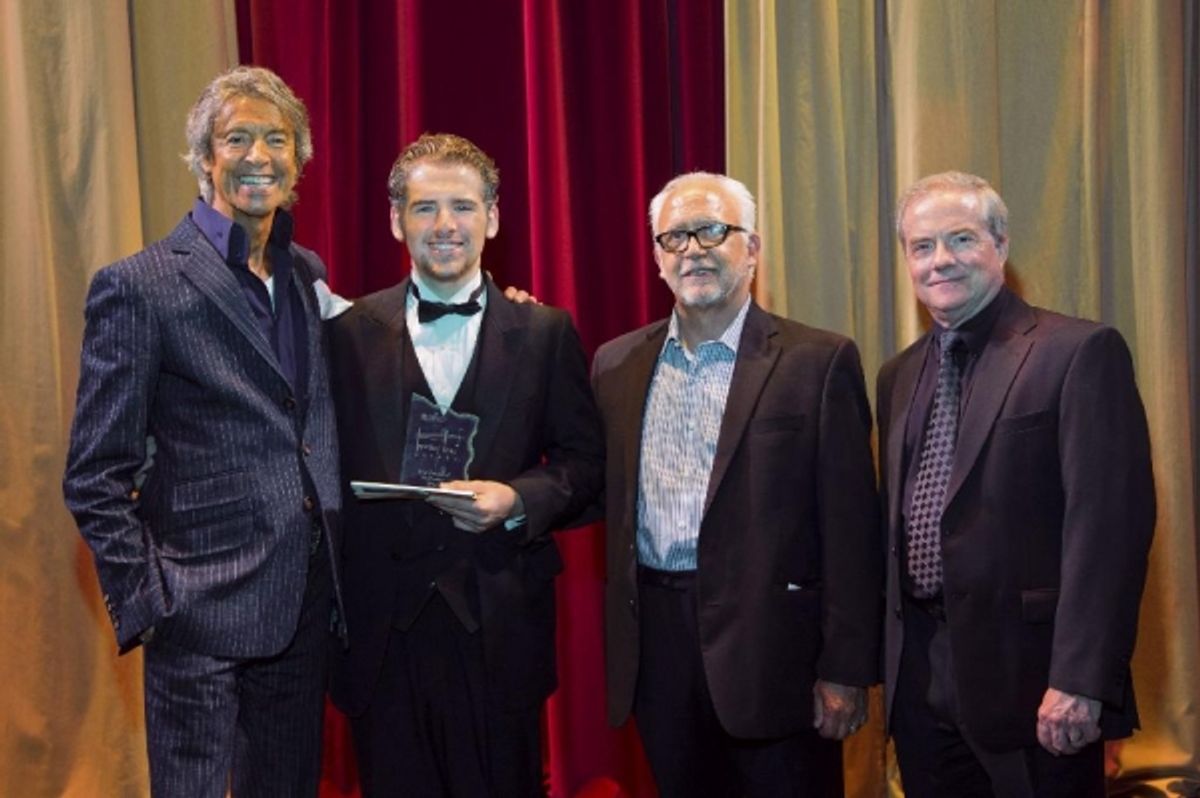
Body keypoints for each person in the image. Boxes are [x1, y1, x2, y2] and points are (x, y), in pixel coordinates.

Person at [62, 66, 343, 796]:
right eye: (237, 138)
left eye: (276, 139)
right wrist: (152, 601)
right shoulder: (140, 285)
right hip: (196, 616)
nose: (258, 156)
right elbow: (94, 473)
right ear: (205, 158)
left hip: (303, 606)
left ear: (299, 159)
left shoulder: (306, 272)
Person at [327, 132, 604, 797]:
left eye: (463, 206)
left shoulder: (545, 333)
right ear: (396, 221)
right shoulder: (344, 334)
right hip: (381, 633)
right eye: (425, 208)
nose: (445, 224)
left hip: (500, 625)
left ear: (493, 217)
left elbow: (587, 463)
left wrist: (518, 499)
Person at [590, 171, 882, 797]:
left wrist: (846, 668)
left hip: (776, 653)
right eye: (675, 237)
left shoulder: (817, 361)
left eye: (712, 231)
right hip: (656, 650)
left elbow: (852, 530)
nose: (693, 249)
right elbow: (589, 484)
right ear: (657, 259)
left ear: (751, 248)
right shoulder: (614, 365)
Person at [878, 171, 1156, 797]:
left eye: (961, 239)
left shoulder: (1078, 352)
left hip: (1034, 685)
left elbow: (1108, 532)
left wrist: (1080, 678)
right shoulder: (897, 375)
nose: (940, 260)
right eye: (922, 246)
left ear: (1000, 246)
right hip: (921, 685)